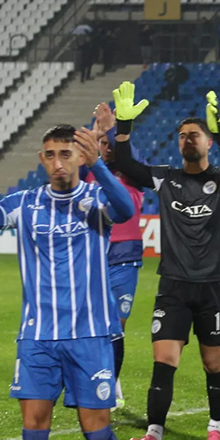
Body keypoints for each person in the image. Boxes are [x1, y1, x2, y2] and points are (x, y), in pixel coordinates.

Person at [0, 127, 135, 440]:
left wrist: (98, 166)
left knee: (96, 433)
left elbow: (126, 210)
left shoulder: (95, 200)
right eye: (51, 155)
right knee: (34, 433)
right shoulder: (24, 203)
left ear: (79, 157)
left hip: (89, 335)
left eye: (66, 154)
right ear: (42, 159)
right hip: (37, 336)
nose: (58, 163)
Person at [111, 83, 220, 440]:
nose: (188, 140)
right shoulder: (165, 177)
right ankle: (154, 434)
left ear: (208, 142)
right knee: (163, 362)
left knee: (213, 365)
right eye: (183, 135)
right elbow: (125, 165)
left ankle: (215, 428)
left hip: (211, 288)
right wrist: (123, 128)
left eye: (195, 135)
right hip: (172, 286)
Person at [83, 102, 146, 411]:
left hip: (124, 257)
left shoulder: (133, 170)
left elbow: (131, 158)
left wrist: (112, 129)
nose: (107, 148)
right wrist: (93, 136)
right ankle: (100, 378)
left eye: (110, 144)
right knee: (96, 325)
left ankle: (112, 382)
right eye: (103, 145)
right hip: (93, 257)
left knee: (116, 324)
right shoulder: (90, 172)